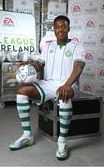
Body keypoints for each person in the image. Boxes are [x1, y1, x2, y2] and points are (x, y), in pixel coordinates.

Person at [9, 15, 86, 160]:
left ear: (69, 28)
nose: (60, 30)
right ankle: (27, 136)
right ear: (54, 29)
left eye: (63, 27)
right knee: (22, 91)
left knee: (64, 95)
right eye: (57, 27)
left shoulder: (77, 46)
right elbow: (40, 65)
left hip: (68, 84)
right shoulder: (48, 46)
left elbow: (79, 66)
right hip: (48, 83)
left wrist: (67, 85)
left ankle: (62, 141)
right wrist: (29, 66)